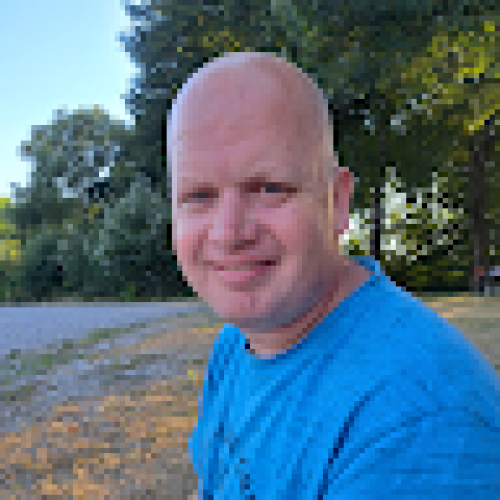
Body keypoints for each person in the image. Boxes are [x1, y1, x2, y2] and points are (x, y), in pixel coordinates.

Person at [167, 52, 500, 499]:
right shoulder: (235, 345)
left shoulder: (418, 425)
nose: (229, 233)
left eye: (269, 188)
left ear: (337, 202)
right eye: (198, 196)